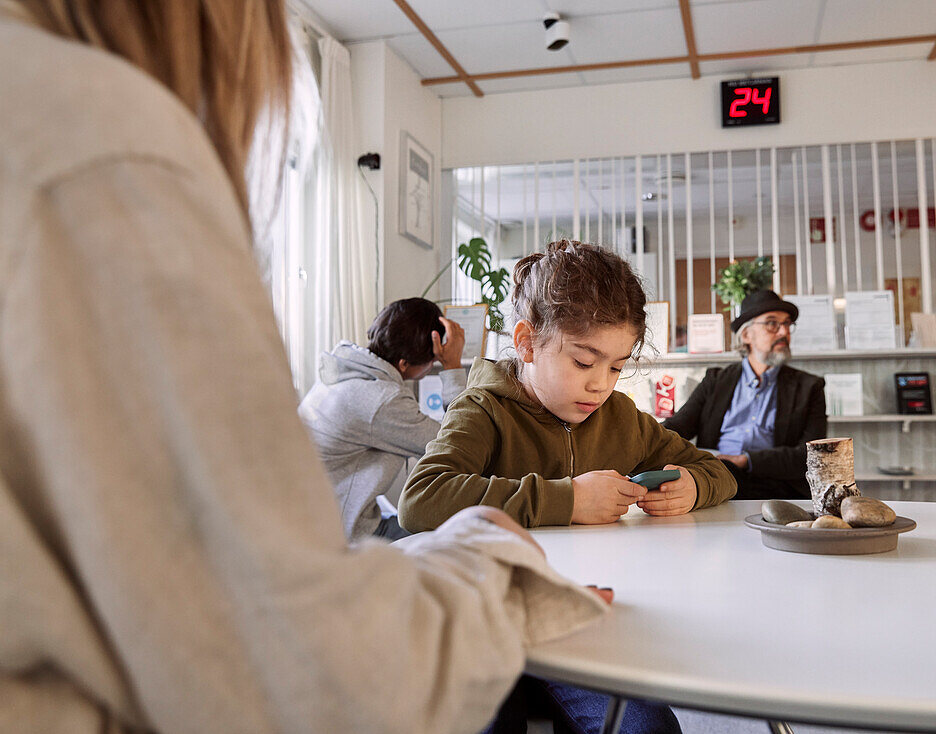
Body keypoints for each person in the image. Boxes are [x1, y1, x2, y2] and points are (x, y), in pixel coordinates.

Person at [0, 4, 609, 733]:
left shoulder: (346, 378)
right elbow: (300, 668)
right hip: (349, 544)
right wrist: (492, 549)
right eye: (583, 359)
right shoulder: (101, 139)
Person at [401, 240, 738, 734]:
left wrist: (692, 484)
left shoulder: (621, 417)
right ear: (527, 342)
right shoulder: (483, 410)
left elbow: (718, 471)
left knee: (649, 729)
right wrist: (569, 498)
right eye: (584, 362)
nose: (601, 384)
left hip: (586, 623)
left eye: (617, 367)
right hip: (487, 625)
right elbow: (422, 499)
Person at [298, 298, 466, 542]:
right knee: (457, 542)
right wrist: (452, 366)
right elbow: (459, 445)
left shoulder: (345, 372)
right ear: (404, 364)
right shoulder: (382, 400)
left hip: (315, 522)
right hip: (343, 535)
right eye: (432, 362)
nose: (433, 365)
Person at [663, 289, 827, 501]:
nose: (783, 332)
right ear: (747, 335)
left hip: (777, 486)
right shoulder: (715, 381)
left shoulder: (809, 387)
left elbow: (811, 454)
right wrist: (645, 442)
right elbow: (677, 427)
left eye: (786, 324)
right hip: (718, 477)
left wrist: (745, 460)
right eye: (772, 323)